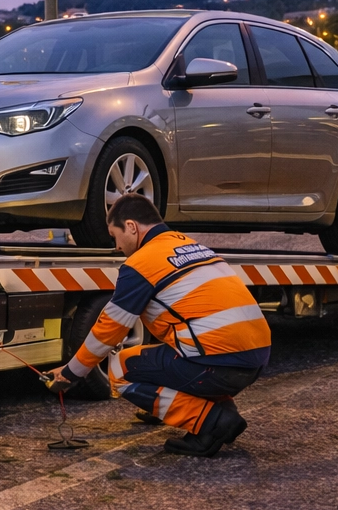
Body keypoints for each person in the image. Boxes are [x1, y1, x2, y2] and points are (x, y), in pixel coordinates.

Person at [41, 194, 271, 457]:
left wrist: (72, 373)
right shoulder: (191, 246)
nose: (116, 246)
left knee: (121, 368)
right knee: (166, 353)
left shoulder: (141, 263)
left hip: (218, 363)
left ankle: (211, 422)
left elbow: (109, 329)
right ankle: (223, 412)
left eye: (115, 236)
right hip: (256, 358)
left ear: (131, 227)